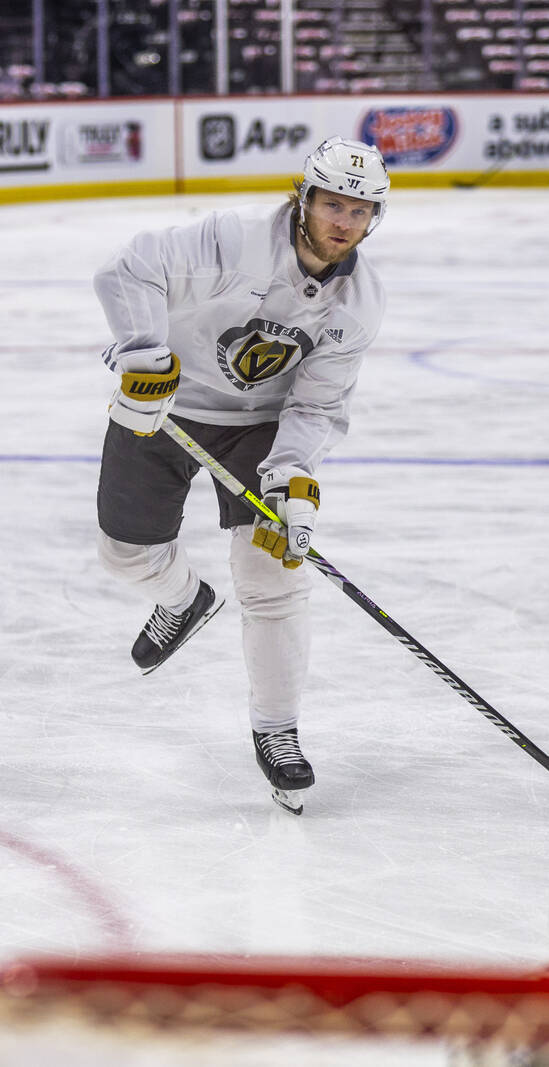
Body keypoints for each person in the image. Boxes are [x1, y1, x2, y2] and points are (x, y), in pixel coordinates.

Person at [93, 135, 389, 816]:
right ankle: (184, 599)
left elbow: (317, 403)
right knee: (124, 553)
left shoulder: (360, 302)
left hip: (262, 422)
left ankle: (276, 728)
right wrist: (144, 354)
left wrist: (291, 482)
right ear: (304, 197)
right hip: (168, 402)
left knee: (273, 567)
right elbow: (125, 271)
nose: (344, 220)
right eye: (333, 202)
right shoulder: (232, 242)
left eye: (360, 209)